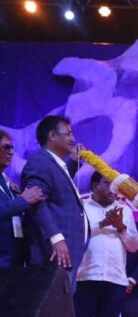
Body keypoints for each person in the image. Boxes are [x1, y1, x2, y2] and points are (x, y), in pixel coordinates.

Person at [73, 172, 138, 317]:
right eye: (107, 183)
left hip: (114, 281)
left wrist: (121, 227)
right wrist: (102, 224)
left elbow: (134, 246)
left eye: (114, 184)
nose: (113, 188)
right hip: (85, 279)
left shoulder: (124, 211)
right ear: (94, 186)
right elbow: (76, 237)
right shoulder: (82, 207)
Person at [21, 115, 89, 285]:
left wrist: (74, 162)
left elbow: (58, 186)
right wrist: (56, 238)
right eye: (68, 133)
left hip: (65, 254)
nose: (73, 139)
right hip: (54, 253)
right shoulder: (40, 163)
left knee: (63, 301)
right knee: (51, 302)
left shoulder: (52, 164)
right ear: (52, 135)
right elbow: (37, 202)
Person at [0, 130, 44, 267]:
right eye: (6, 147)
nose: (11, 152)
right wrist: (23, 200)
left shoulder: (6, 182)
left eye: (12, 148)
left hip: (16, 258)